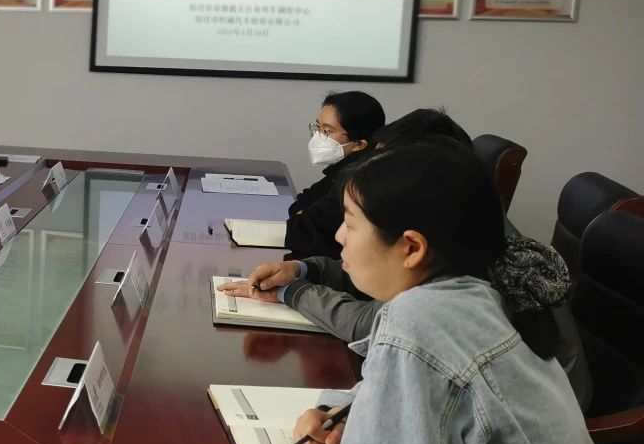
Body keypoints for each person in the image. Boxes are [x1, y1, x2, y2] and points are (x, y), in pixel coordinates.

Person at [290, 139, 644, 444]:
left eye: (350, 222)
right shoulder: (475, 292)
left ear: (412, 247)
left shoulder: (422, 318)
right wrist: (341, 411)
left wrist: (358, 438)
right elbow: (437, 395)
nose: (338, 236)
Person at [220, 109, 593, 411]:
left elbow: (377, 324)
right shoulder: (457, 232)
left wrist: (294, 292)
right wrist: (307, 269)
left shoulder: (458, 282)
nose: (377, 173)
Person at [285, 90, 384, 258]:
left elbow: (300, 230)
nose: (318, 136)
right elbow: (299, 204)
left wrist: (304, 215)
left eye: (327, 130)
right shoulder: (340, 169)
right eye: (318, 127)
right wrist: (303, 214)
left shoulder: (358, 180)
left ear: (359, 144)